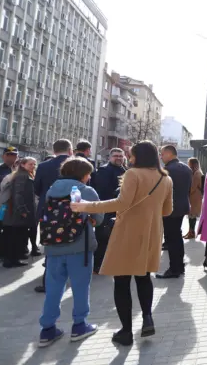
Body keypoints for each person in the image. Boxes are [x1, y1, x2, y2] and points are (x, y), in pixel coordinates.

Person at [71, 141, 173, 346]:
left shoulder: (133, 174)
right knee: (144, 277)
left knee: (122, 280)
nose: (130, 158)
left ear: (138, 156)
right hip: (152, 233)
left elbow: (121, 203)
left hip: (128, 232)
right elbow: (167, 210)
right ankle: (147, 318)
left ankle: (126, 331)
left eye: (132, 154)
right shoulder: (165, 178)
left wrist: (86, 206)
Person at [38, 157, 103, 347]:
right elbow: (98, 219)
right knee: (80, 287)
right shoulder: (86, 191)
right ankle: (79, 325)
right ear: (83, 174)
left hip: (53, 246)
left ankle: (47, 329)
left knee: (54, 288)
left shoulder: (52, 189)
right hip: (79, 247)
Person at [34, 140, 74, 256]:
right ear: (70, 150)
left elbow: (36, 187)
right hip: (71, 207)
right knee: (69, 237)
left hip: (47, 206)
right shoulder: (77, 166)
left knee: (49, 236)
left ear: (54, 151)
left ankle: (49, 262)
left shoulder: (43, 166)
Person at [158, 145, 192, 279]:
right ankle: (179, 266)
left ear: (169, 154)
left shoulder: (167, 170)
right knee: (177, 237)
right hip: (182, 206)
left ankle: (174, 269)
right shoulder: (186, 168)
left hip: (170, 208)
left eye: (162, 154)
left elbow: (163, 191)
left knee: (171, 239)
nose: (161, 157)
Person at [92, 148, 126, 273]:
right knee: (102, 239)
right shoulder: (104, 170)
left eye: (121, 156)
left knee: (115, 239)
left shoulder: (125, 170)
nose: (118, 158)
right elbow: (102, 191)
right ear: (110, 157)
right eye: (116, 156)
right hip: (106, 210)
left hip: (119, 211)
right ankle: (97, 265)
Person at [2, 157, 38, 268]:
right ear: (22, 165)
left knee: (15, 236)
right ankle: (12, 260)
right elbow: (18, 195)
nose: (33, 166)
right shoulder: (22, 176)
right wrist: (23, 210)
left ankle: (12, 259)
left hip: (17, 212)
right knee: (16, 237)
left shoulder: (24, 174)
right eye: (30, 164)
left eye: (34, 164)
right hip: (17, 213)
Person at [0, 147, 19, 258]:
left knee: (9, 228)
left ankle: (4, 250)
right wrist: (13, 177)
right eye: (9, 154)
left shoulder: (19, 169)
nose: (12, 157)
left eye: (14, 155)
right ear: (3, 156)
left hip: (12, 203)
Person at [185, 158, 203, 239]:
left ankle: (191, 233)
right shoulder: (197, 172)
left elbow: (192, 187)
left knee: (192, 216)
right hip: (195, 197)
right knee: (191, 216)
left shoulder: (197, 174)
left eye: (189, 163)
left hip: (194, 197)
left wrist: (186, 192)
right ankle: (190, 232)